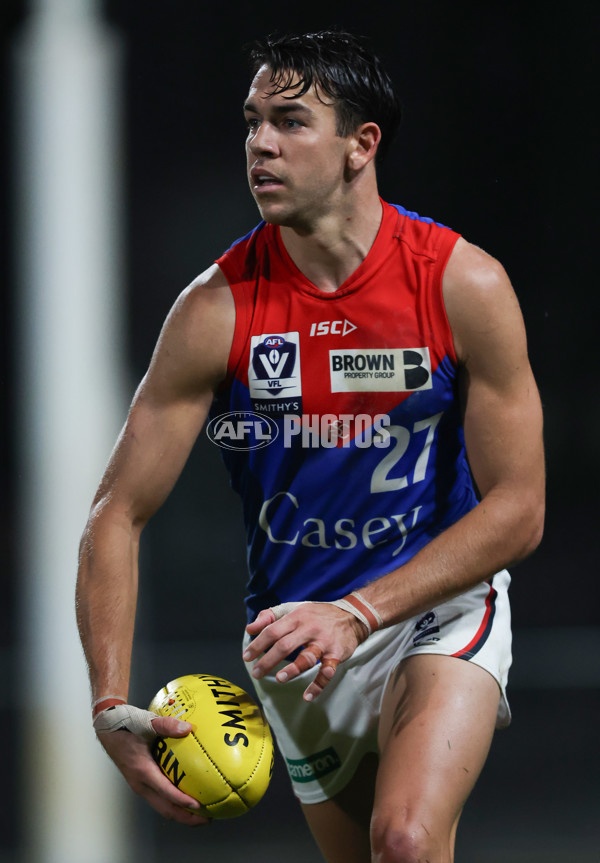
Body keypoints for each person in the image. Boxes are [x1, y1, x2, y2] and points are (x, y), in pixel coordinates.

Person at [76, 30, 545, 863]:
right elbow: (115, 513)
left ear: (362, 145)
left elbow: (520, 508)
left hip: (431, 609)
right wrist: (109, 701)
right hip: (294, 642)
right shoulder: (214, 309)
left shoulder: (460, 283)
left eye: (291, 121)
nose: (260, 141)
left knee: (403, 840)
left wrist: (360, 610)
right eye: (253, 121)